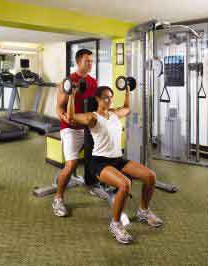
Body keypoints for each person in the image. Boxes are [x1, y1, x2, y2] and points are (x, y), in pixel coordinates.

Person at [66, 85, 163, 244]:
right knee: (125, 184)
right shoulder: (93, 117)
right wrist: (71, 94)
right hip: (99, 162)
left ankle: (143, 211)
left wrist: (126, 91)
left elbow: (126, 108)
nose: (109, 100)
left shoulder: (114, 114)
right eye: (105, 97)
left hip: (117, 160)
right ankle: (116, 224)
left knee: (150, 176)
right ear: (97, 99)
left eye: (111, 97)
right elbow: (71, 117)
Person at [53, 49, 98, 217]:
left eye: (92, 61)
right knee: (71, 165)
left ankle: (92, 184)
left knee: (96, 159)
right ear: (78, 62)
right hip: (70, 128)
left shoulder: (93, 81)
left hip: (87, 128)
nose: (90, 64)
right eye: (87, 61)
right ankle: (58, 198)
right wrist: (65, 116)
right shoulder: (68, 81)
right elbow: (58, 107)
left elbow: (95, 104)